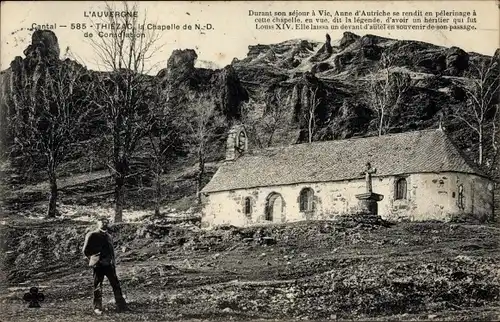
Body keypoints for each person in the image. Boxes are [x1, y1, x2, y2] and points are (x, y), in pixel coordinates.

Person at [82, 216, 128, 314]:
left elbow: (112, 252)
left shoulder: (109, 236)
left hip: (109, 265)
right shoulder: (92, 235)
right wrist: (94, 261)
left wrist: (113, 263)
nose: (104, 223)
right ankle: (97, 308)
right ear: (98, 223)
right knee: (98, 286)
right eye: (102, 221)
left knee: (116, 285)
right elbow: (85, 251)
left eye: (106, 222)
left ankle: (121, 306)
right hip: (98, 266)